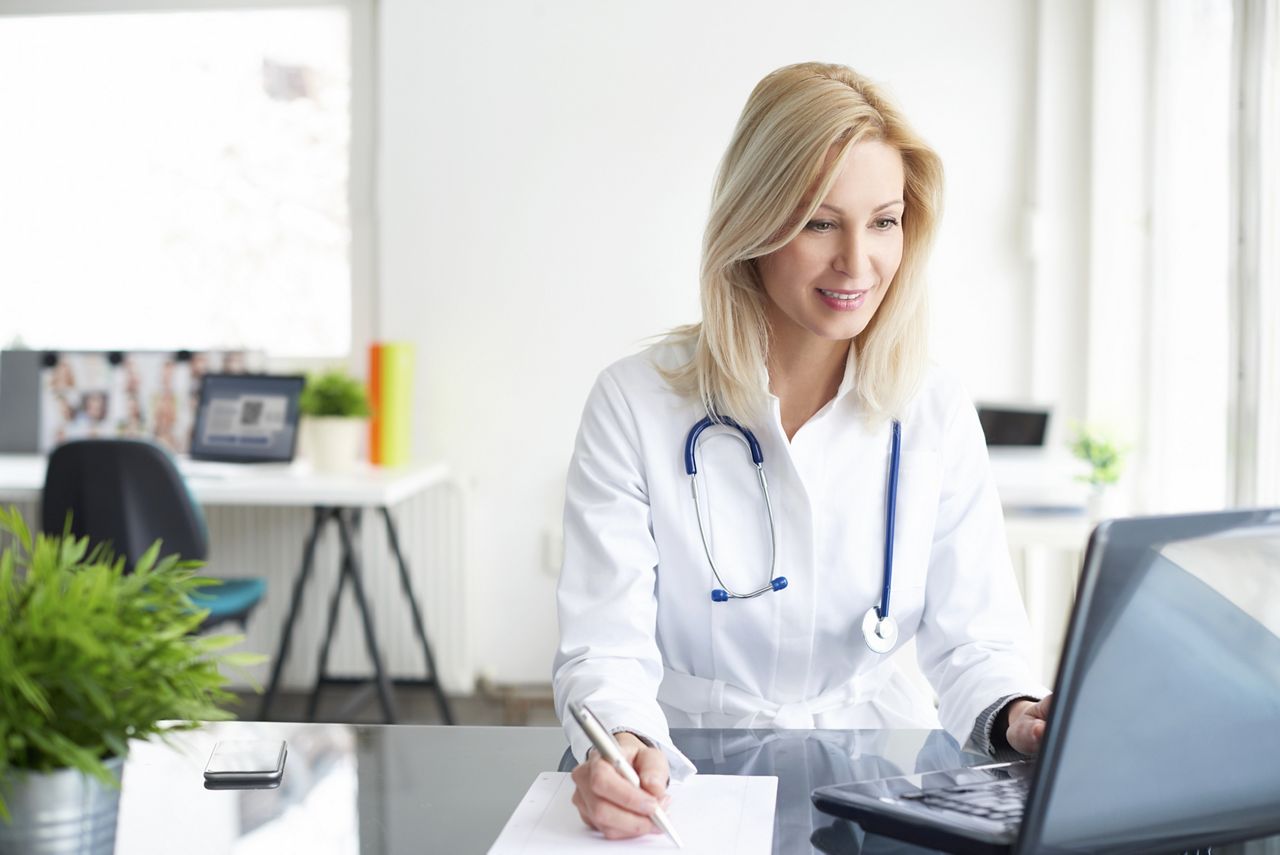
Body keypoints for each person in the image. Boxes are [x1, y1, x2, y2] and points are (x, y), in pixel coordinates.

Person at [552, 62, 1052, 841]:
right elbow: (603, 648)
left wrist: (1021, 714)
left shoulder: (932, 406)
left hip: (881, 774)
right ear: (753, 222)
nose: (858, 263)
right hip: (683, 776)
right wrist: (622, 739)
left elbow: (975, 639)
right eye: (820, 222)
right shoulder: (635, 402)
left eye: (883, 221)